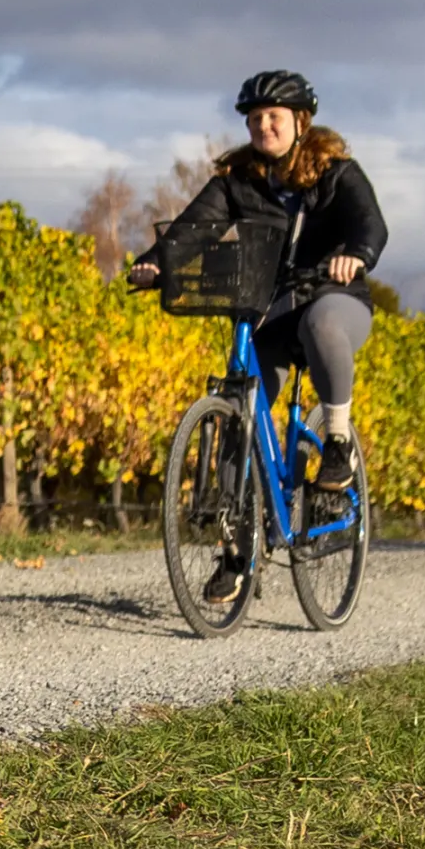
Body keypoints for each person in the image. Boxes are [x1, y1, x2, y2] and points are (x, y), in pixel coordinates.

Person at [130, 70, 387, 604]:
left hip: (331, 300)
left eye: (273, 116)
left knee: (321, 325)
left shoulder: (335, 172)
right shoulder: (237, 180)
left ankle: (336, 443)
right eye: (254, 118)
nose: (262, 125)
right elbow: (191, 229)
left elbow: (369, 224)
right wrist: (156, 262)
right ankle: (238, 552)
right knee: (238, 411)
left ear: (300, 122)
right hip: (269, 310)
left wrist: (354, 256)